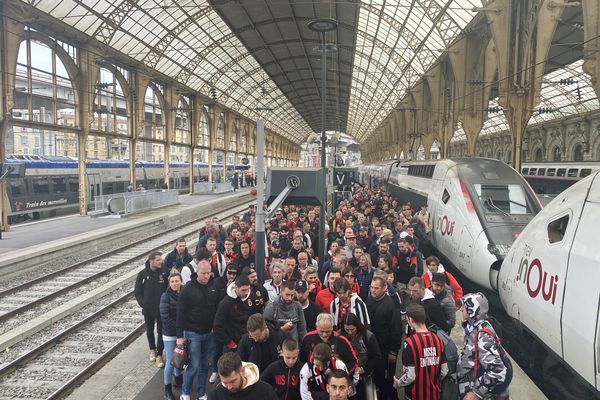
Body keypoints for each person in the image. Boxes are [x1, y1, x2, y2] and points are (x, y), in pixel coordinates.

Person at [176, 259, 218, 400]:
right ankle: (185, 392)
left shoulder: (214, 285)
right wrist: (179, 336)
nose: (206, 276)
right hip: (192, 332)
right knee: (193, 365)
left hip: (209, 332)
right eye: (203, 273)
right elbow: (180, 313)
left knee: (205, 365)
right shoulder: (187, 289)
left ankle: (201, 393)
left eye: (208, 273)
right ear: (197, 272)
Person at [457, 293, 510, 400]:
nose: (461, 310)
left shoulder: (483, 335)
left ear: (473, 310)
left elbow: (497, 371)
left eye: (465, 307)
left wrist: (477, 393)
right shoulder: (475, 326)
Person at [394, 303, 447, 399]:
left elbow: (410, 376)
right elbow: (444, 371)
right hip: (434, 395)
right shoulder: (438, 340)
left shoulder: (409, 343)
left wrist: (399, 383)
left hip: (415, 395)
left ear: (410, 319)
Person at [365, 276, 404, 400]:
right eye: (371, 287)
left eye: (376, 288)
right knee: (377, 377)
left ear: (384, 288)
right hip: (373, 348)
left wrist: (393, 351)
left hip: (386, 350)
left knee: (387, 379)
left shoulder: (391, 305)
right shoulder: (369, 301)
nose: (373, 290)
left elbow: (396, 330)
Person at [134, 251, 168, 368]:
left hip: (161, 309)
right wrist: (143, 304)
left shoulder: (165, 272)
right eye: (158, 260)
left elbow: (169, 289)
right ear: (151, 261)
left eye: (161, 259)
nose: (161, 262)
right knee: (149, 330)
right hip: (148, 309)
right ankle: (152, 349)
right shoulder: (142, 274)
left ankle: (159, 354)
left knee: (161, 332)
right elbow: (137, 292)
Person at [340, 313, 381, 399]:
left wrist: (363, 369)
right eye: (347, 330)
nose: (350, 332)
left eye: (352, 329)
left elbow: (377, 357)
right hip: (345, 376)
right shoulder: (339, 336)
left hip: (363, 376)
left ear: (357, 326)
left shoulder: (368, 336)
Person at [213, 274, 255, 353]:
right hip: (233, 344)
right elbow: (217, 326)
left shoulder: (251, 297)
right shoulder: (226, 302)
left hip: (249, 341)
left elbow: (256, 316)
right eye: (243, 290)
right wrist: (229, 343)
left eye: (248, 289)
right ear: (236, 288)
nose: (246, 292)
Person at [209, 352, 278, 399]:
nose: (229, 387)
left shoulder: (264, 390)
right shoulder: (215, 395)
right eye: (225, 382)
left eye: (232, 381)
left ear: (242, 371)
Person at [159, 269, 183, 400]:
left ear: (181, 281)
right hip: (170, 334)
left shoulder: (184, 293)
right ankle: (167, 389)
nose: (175, 283)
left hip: (181, 333)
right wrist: (179, 329)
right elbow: (165, 317)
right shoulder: (165, 296)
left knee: (179, 358)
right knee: (169, 361)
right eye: (172, 281)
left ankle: (178, 379)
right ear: (169, 283)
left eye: (177, 281)